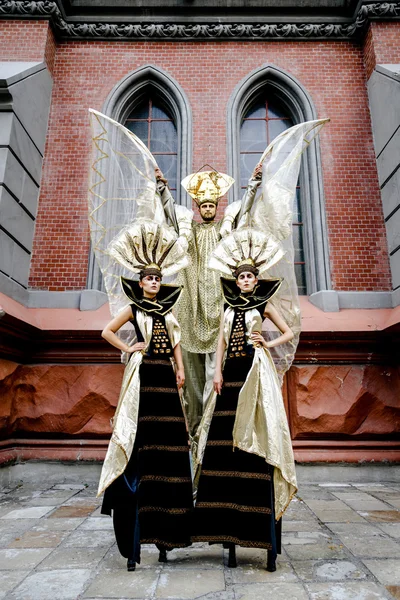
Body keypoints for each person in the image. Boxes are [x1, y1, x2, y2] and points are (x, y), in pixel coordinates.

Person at [191, 229, 298, 571]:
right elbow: (221, 341)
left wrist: (267, 342)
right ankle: (225, 525)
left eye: (250, 276)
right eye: (241, 276)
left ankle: (257, 521)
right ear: (236, 281)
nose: (246, 280)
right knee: (225, 438)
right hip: (230, 374)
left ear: (256, 280)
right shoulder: (228, 305)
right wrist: (217, 372)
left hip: (253, 371)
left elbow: (289, 331)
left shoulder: (262, 304)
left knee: (253, 431)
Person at [97, 220, 193, 571]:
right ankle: (137, 530)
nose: (153, 283)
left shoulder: (167, 309)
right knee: (144, 441)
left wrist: (180, 368)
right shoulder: (134, 308)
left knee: (170, 442)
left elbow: (176, 341)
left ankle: (169, 533)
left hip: (166, 376)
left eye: (157, 278)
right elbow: (106, 331)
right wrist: (129, 347)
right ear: (140, 282)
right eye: (148, 279)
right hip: (143, 377)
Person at [155, 164, 263, 438]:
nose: (206, 209)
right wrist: (161, 188)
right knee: (190, 375)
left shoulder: (223, 230)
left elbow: (244, 212)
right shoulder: (186, 229)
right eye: (202, 205)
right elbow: (169, 211)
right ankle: (192, 433)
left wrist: (253, 183)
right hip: (190, 305)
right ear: (197, 207)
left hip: (218, 305)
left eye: (210, 205)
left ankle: (211, 434)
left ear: (216, 206)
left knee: (218, 372)